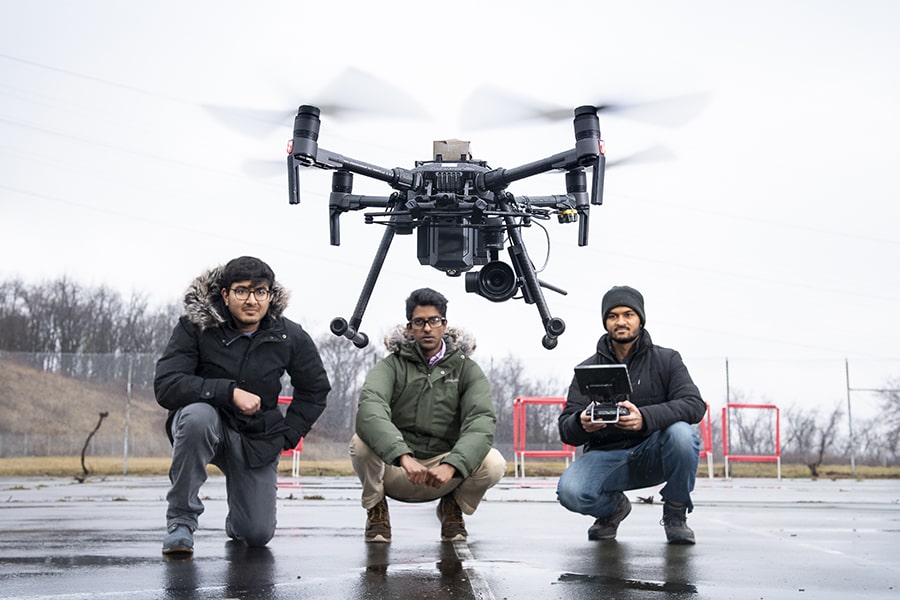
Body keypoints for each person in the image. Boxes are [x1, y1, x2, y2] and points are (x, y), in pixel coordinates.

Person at [154, 256, 331, 555]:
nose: (252, 300)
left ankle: (238, 519)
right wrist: (229, 392)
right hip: (206, 425)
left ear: (270, 295)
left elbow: (315, 389)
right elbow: (167, 386)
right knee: (197, 417)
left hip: (256, 437)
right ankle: (181, 521)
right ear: (225, 294)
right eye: (242, 291)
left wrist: (287, 435)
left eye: (260, 291)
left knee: (257, 535)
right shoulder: (194, 327)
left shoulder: (290, 335)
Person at [349, 287, 506, 543]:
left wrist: (453, 465)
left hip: (444, 474)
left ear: (444, 325)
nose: (427, 328)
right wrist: (402, 455)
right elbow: (370, 409)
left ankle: (452, 507)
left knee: (494, 463)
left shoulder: (467, 369)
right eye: (419, 322)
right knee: (360, 443)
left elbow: (481, 421)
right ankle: (376, 509)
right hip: (398, 468)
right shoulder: (391, 366)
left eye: (434, 321)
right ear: (409, 328)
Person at [556, 285, 706, 544]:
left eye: (628, 314)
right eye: (613, 316)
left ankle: (675, 513)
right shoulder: (587, 368)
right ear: (605, 322)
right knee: (571, 492)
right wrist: (581, 422)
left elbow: (694, 405)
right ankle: (613, 510)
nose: (621, 321)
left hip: (654, 454)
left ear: (640, 319)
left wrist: (645, 418)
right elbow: (565, 429)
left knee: (682, 433)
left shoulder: (667, 360)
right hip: (606, 457)